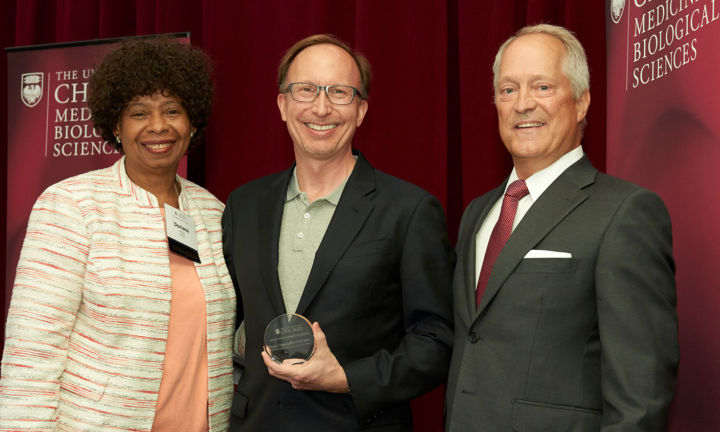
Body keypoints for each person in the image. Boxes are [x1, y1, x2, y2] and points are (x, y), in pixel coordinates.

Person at [445, 24, 679, 431]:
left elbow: (640, 397)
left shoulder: (625, 212)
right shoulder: (477, 214)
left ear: (582, 101)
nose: (522, 104)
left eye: (542, 87)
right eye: (508, 90)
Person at [0, 38, 235, 431]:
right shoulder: (71, 205)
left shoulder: (213, 213)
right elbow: (32, 353)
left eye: (172, 110)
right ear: (115, 126)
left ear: (192, 123)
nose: (158, 125)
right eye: (139, 112)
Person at [222, 34, 455, 431]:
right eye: (306, 90)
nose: (321, 107)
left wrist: (346, 378)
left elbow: (437, 341)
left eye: (340, 92)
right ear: (282, 104)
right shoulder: (244, 206)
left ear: (361, 110)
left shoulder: (409, 210)